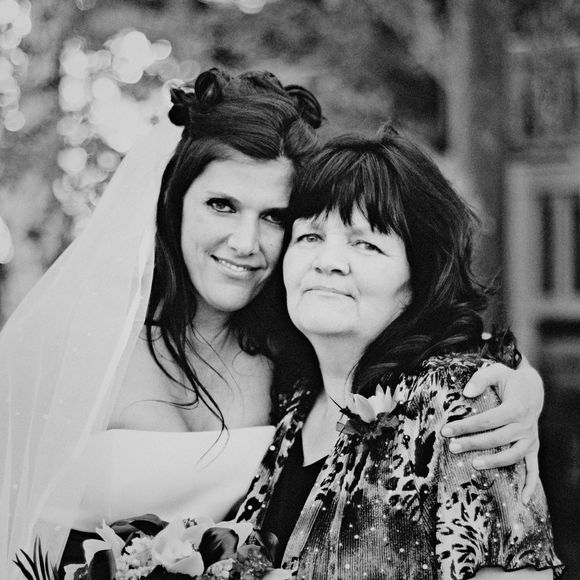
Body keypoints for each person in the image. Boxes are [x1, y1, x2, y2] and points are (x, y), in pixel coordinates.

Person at [0, 68, 543, 579]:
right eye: (221, 205)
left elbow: (432, 360)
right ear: (173, 203)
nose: (245, 242)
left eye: (274, 217)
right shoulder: (83, 346)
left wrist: (522, 390)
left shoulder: (296, 350)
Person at [236, 128, 563, 579]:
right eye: (309, 237)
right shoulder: (292, 397)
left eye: (366, 244)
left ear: (420, 277)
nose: (328, 261)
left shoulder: (458, 402)